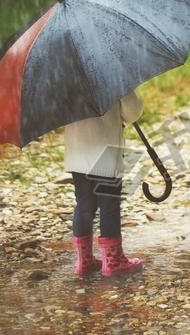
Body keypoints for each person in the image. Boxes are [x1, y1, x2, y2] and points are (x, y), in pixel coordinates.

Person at [64, 90, 144, 277]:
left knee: (84, 204)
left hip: (77, 150)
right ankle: (113, 262)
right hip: (105, 148)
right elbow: (132, 112)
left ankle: (84, 262)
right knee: (109, 204)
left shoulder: (64, 78)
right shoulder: (111, 74)